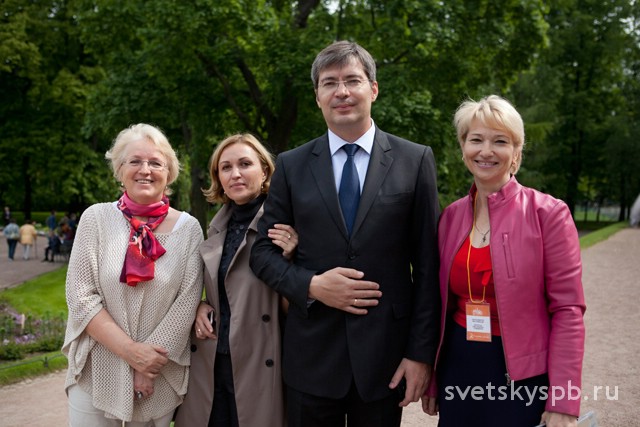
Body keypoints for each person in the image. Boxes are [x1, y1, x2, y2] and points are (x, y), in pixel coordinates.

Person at [250, 40, 441, 427]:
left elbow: (428, 266)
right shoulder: (291, 165)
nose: (342, 91)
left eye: (352, 80)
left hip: (385, 359)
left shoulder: (415, 160)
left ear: (373, 89)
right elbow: (262, 255)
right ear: (317, 96)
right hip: (311, 359)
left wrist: (420, 355)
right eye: (329, 83)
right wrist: (312, 285)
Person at [422, 95, 585, 427]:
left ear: (516, 153)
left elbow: (568, 310)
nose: (486, 151)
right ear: (463, 147)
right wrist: (435, 378)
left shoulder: (549, 214)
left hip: (522, 378)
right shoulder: (450, 217)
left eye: (500, 141)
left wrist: (564, 399)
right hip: (459, 368)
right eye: (476, 140)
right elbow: (438, 306)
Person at [62, 123, 204, 426]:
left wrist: (147, 365)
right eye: (135, 161)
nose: (145, 170)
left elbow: (187, 302)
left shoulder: (189, 229)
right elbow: (80, 296)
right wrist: (131, 353)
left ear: (169, 172)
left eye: (156, 163)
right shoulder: (95, 218)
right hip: (97, 367)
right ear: (119, 169)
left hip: (159, 373)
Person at [175, 133, 296, 427]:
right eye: (226, 167)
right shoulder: (216, 228)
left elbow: (295, 307)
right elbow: (222, 290)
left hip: (260, 365)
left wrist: (290, 263)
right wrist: (199, 305)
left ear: (264, 171)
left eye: (245, 164)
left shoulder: (283, 227)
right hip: (212, 364)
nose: (235, 174)